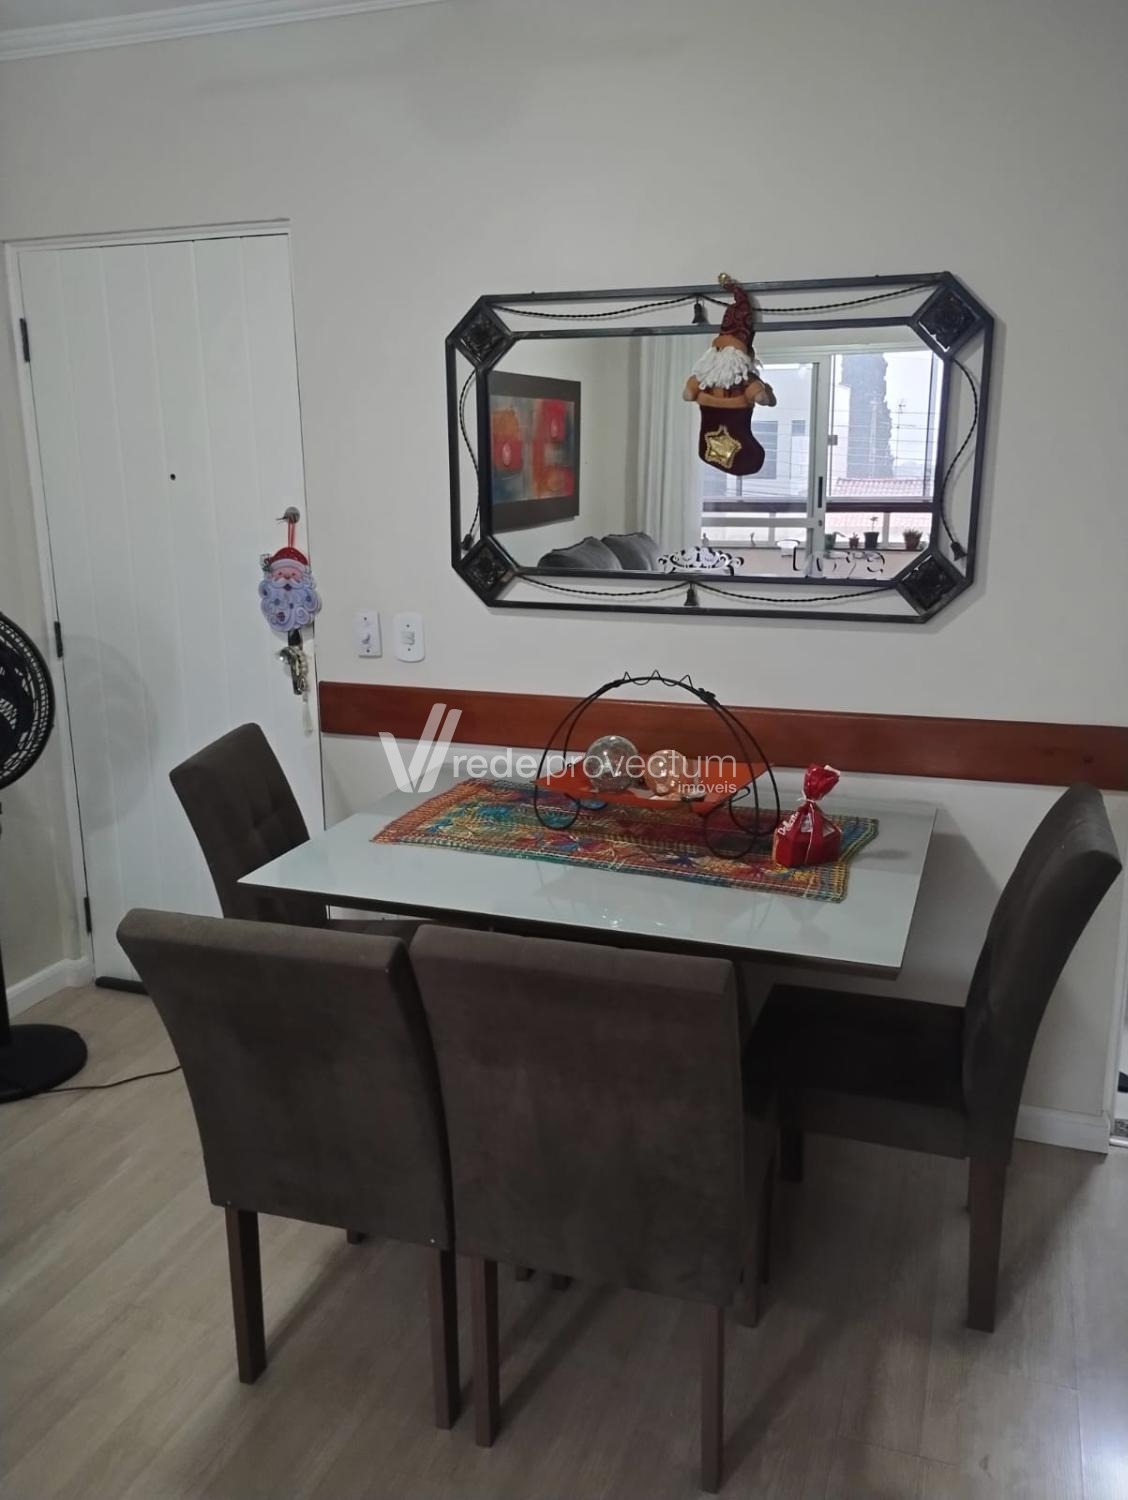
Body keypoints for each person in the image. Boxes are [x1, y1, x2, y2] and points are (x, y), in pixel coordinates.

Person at [683, 274, 776, 475]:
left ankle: (713, 452)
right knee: (752, 457)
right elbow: (761, 398)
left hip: (709, 435)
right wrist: (767, 393)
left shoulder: (704, 377)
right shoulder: (746, 381)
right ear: (744, 355)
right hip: (736, 415)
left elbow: (688, 395)